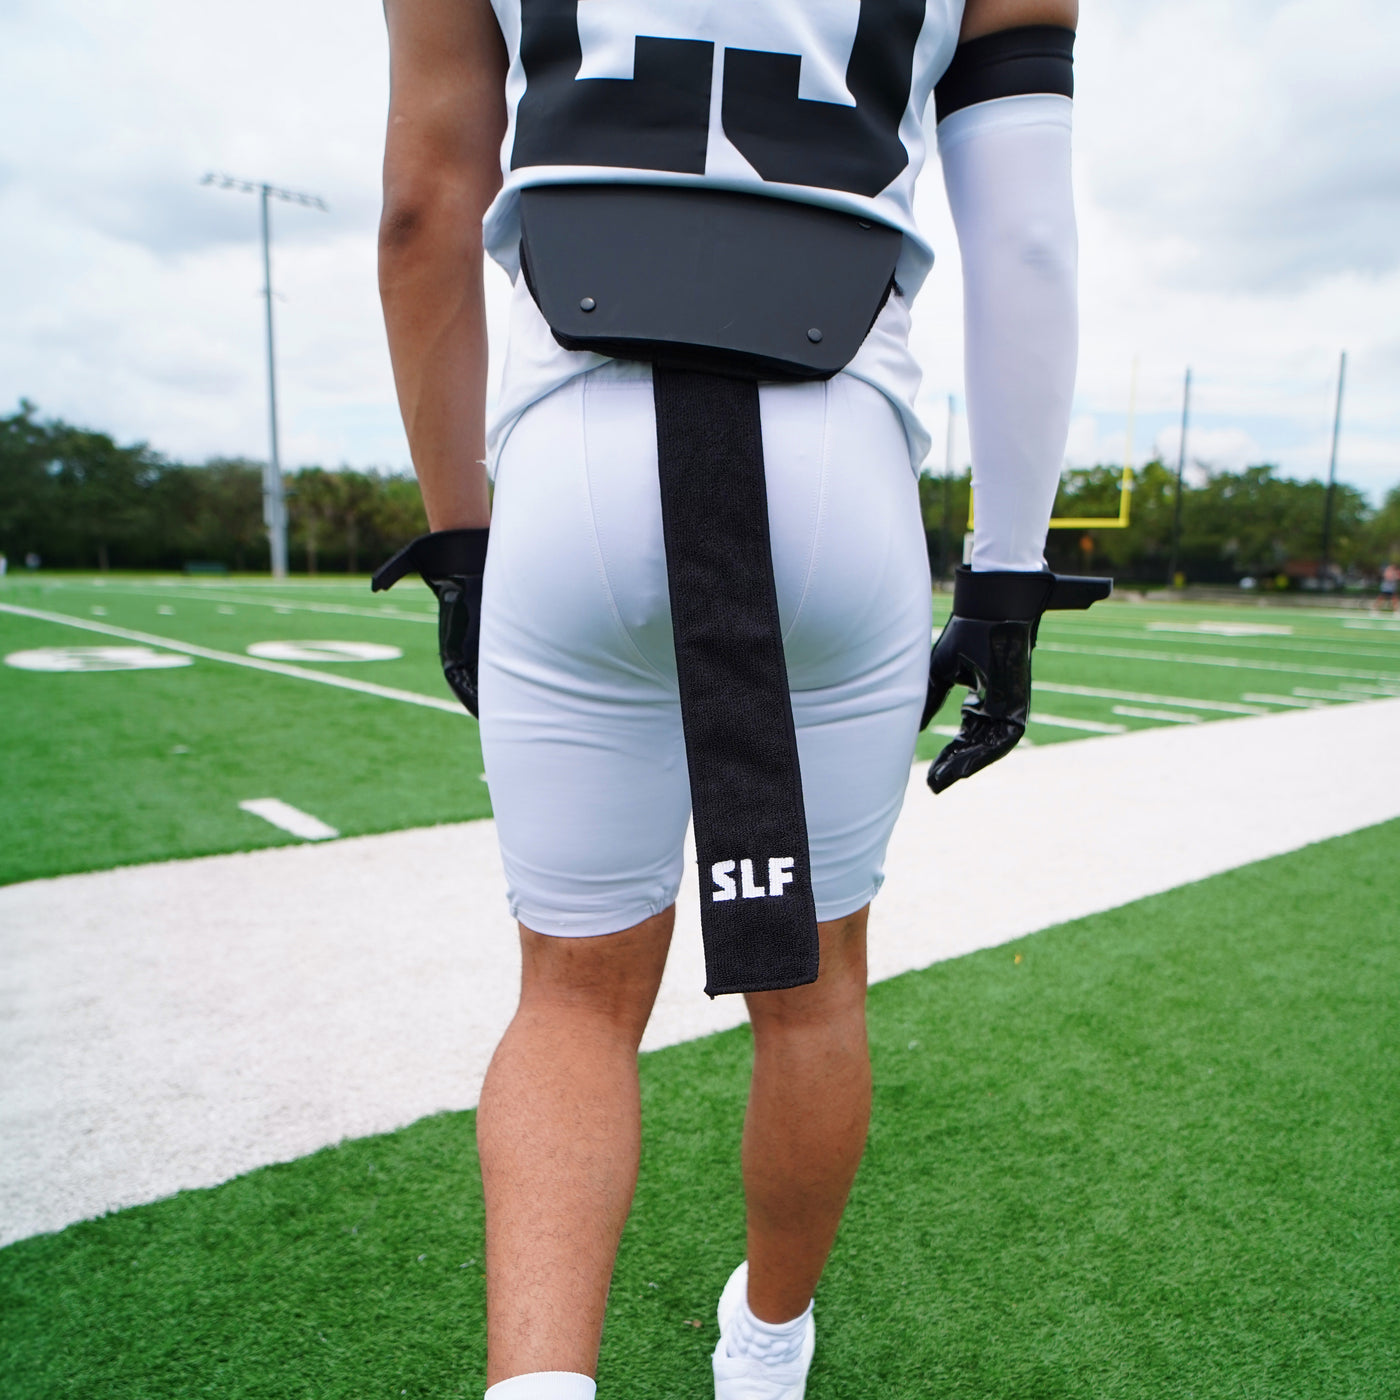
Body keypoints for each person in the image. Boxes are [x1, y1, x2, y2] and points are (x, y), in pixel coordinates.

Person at [376, 0, 1083, 1395]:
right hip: (838, 453)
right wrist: (1004, 584)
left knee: (573, 997)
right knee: (812, 991)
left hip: (576, 436)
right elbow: (1029, 240)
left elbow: (422, 209)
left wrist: (463, 537)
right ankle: (764, 1353)